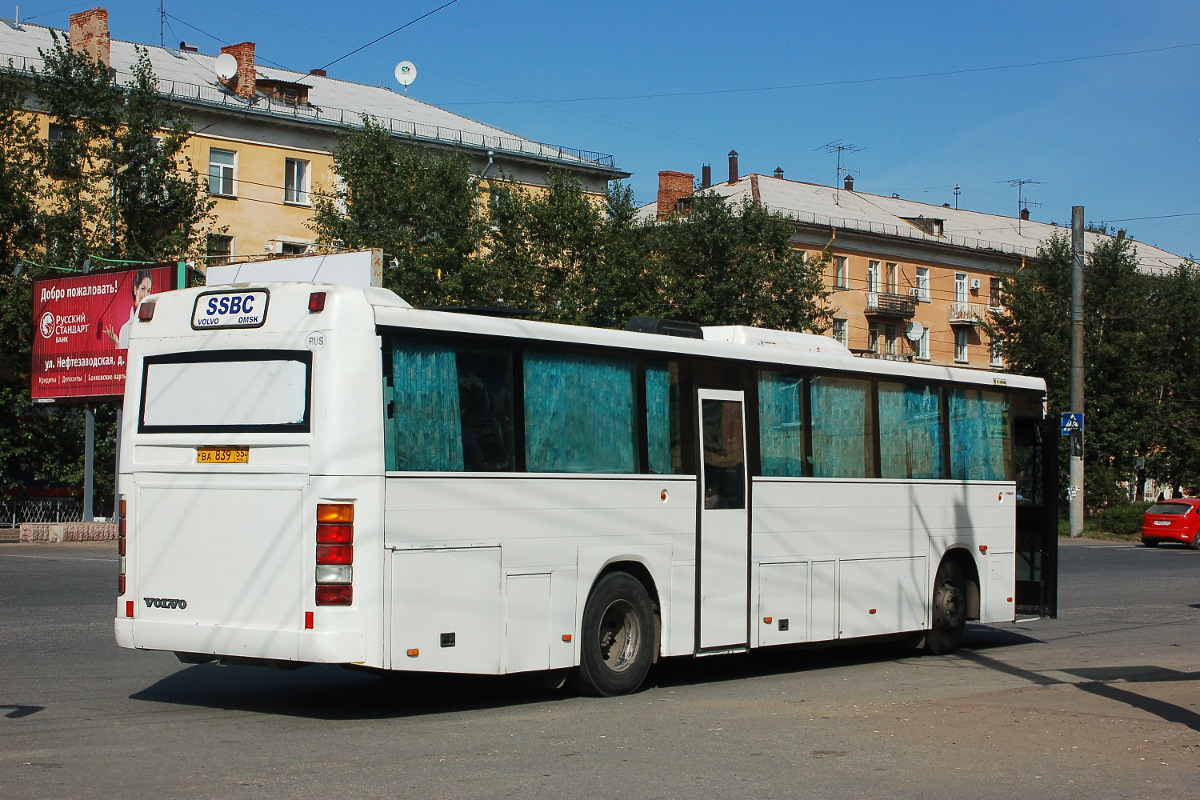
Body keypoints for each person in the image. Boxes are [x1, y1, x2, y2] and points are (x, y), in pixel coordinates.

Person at [104, 270, 153, 349]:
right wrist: (117, 344)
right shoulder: (125, 329)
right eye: (142, 289)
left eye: (148, 291)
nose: (145, 295)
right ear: (135, 289)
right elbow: (124, 358)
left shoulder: (154, 323)